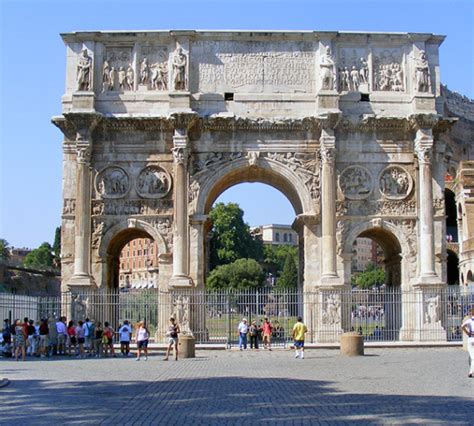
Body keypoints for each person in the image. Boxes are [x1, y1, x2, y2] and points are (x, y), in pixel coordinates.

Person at [461, 308, 474, 378]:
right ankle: (471, 371)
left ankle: (471, 372)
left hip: (470, 339)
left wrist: (467, 332)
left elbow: (462, 326)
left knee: (472, 357)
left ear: (471, 314)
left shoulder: (469, 320)